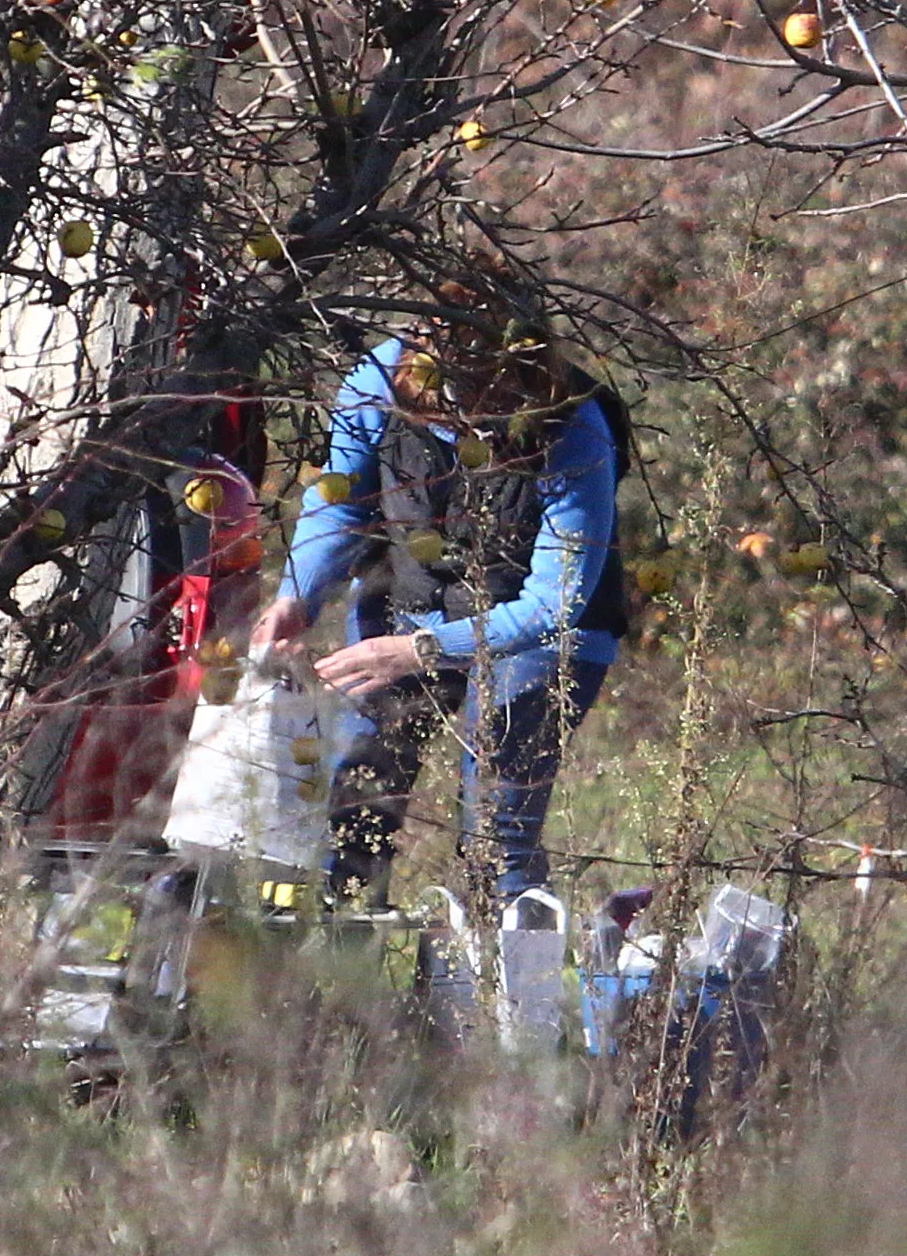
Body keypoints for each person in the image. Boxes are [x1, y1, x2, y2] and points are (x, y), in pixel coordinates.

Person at [249, 282, 627, 904]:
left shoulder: (574, 424)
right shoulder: (378, 381)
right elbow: (338, 504)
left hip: (547, 629)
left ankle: (504, 983)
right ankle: (343, 972)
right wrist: (300, 594)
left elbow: (553, 604)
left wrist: (419, 652)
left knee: (497, 821)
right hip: (410, 597)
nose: (471, 417)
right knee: (356, 796)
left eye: (488, 393)